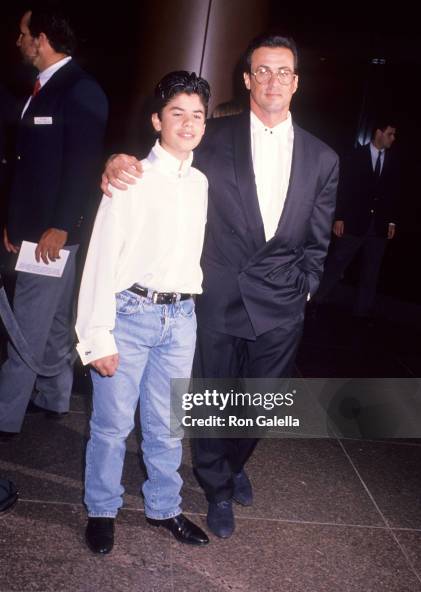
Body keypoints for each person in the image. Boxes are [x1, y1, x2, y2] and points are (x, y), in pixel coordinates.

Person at [101, 33, 339, 538]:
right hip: (219, 294)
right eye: (263, 71)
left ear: (296, 83)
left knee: (260, 404)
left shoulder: (324, 158)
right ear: (248, 79)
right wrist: (117, 163)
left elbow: (318, 241)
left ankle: (232, 462)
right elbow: (166, 158)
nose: (272, 80)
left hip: (282, 300)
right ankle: (216, 486)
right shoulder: (214, 136)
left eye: (283, 72)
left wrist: (306, 287)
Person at [76, 71, 210, 554]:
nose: (188, 123)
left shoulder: (199, 182)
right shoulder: (130, 175)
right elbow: (101, 257)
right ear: (157, 120)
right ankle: (102, 509)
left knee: (168, 424)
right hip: (129, 313)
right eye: (178, 113)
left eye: (197, 115)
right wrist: (96, 335)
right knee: (112, 425)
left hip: (181, 319)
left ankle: (164, 507)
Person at [0, 6, 108, 437]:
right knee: (53, 318)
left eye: (24, 34)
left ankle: (5, 416)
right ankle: (53, 395)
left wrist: (61, 227)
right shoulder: (41, 88)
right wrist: (14, 221)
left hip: (53, 234)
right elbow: (29, 165)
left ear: (41, 39)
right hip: (33, 228)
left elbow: (82, 165)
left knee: (25, 324)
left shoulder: (80, 89)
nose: (18, 41)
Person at [313, 120, 399, 318]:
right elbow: (343, 188)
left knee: (372, 270)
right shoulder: (355, 156)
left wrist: (392, 222)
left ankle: (363, 311)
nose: (393, 138)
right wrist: (339, 217)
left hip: (378, 226)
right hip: (354, 222)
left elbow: (395, 193)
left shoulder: (393, 160)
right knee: (337, 263)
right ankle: (316, 300)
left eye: (394, 135)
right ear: (379, 132)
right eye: (390, 134)